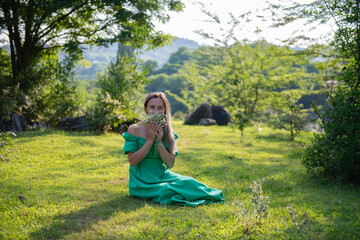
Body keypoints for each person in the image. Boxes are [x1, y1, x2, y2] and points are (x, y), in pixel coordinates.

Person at [122, 92, 225, 207]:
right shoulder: (134, 129)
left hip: (163, 176)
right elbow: (133, 161)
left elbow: (170, 164)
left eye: (160, 107)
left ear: (164, 110)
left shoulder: (169, 133)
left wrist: (159, 142)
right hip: (142, 182)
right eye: (152, 107)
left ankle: (208, 196)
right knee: (168, 189)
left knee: (189, 182)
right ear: (146, 108)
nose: (155, 111)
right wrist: (150, 141)